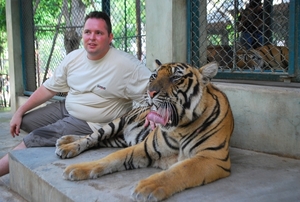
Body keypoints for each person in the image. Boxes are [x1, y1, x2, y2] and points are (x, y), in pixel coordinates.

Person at [0, 11, 151, 177]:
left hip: (90, 123)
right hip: (67, 108)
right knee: (24, 122)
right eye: (87, 32)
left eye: (99, 33)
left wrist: (155, 115)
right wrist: (19, 112)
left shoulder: (127, 65)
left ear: (110, 37)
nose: (92, 37)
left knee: (34, 138)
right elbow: (48, 89)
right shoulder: (74, 57)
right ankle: (50, 138)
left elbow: (158, 90)